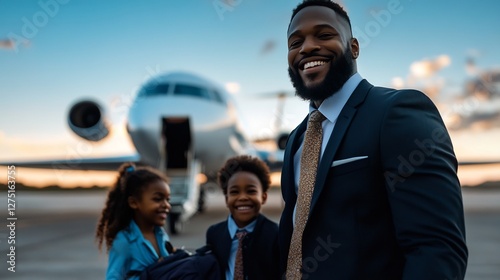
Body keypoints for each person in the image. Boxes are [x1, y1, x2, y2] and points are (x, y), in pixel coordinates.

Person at [279, 1, 468, 279]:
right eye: (296, 42)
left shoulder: (397, 111)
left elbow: (437, 249)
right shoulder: (297, 139)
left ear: (354, 47)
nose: (306, 47)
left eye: (324, 35)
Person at [206, 155, 280, 280]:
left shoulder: (276, 235)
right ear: (226, 199)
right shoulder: (214, 233)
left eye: (251, 191)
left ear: (263, 197)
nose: (243, 197)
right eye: (234, 192)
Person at [96, 163, 172, 280]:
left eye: (168, 199)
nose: (166, 205)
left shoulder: (162, 235)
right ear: (134, 203)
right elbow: (113, 277)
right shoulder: (124, 240)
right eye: (158, 199)